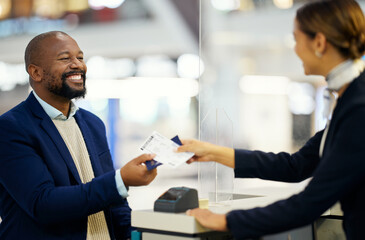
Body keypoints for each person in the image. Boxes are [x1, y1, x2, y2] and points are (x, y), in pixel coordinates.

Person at [178, 0, 365, 239]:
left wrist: (226, 220)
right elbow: (295, 166)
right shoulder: (350, 100)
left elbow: (309, 203)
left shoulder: (358, 108)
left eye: (296, 39)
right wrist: (213, 152)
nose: (295, 48)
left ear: (319, 42)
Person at [0, 31, 157, 240]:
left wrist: (130, 234)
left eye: (80, 57)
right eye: (65, 58)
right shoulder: (11, 128)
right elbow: (42, 203)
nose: (78, 65)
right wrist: (119, 180)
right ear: (36, 72)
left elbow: (115, 202)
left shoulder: (93, 124)